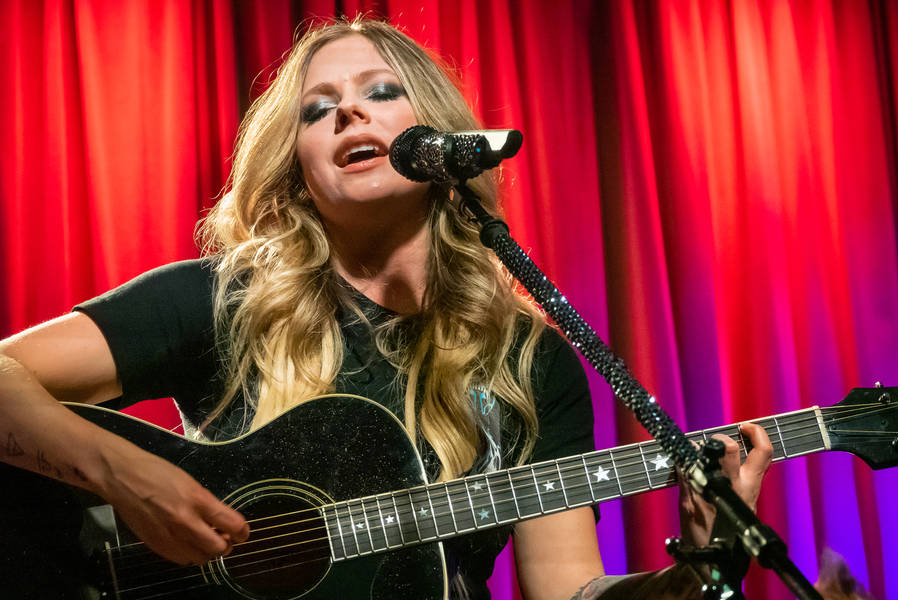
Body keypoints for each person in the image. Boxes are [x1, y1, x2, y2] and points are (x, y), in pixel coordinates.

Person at [0, 16, 774, 600]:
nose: (349, 116)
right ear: (299, 172)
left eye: (381, 93)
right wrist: (130, 477)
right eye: (317, 109)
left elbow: (566, 591)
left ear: (435, 137)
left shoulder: (529, 361)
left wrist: (695, 575)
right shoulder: (219, 299)